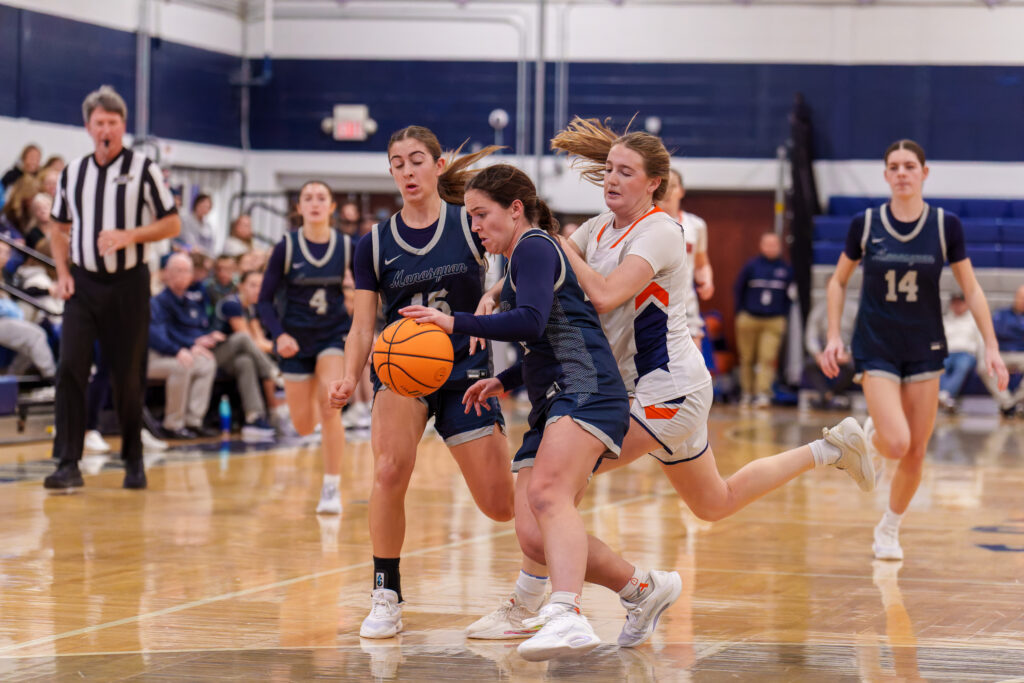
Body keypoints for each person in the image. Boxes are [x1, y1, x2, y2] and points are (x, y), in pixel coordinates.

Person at [469, 117, 872, 645]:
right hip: (640, 393)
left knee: (551, 488)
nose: (612, 179)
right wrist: (498, 291)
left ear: (653, 183)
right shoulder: (596, 229)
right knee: (714, 502)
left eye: (626, 171)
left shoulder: (661, 231)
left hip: (666, 391)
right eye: (609, 170)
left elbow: (604, 294)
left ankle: (562, 600)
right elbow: (545, 270)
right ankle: (830, 449)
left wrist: (564, 251)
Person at [402, 163, 679, 661]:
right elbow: (548, 334)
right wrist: (504, 380)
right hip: (554, 395)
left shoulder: (534, 245)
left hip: (586, 388)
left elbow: (530, 322)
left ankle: (566, 612)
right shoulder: (519, 258)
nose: (475, 226)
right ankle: (642, 588)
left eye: (482, 214)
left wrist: (452, 322)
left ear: (515, 209)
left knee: (549, 495)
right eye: (470, 217)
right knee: (533, 534)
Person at [327, 126, 517, 640]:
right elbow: (362, 326)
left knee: (500, 506)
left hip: (465, 371)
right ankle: (385, 593)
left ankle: (549, 543)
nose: (407, 171)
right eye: (397, 163)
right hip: (401, 373)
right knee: (389, 470)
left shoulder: (470, 222)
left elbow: (527, 261)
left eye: (416, 160)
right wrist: (348, 377)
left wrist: (494, 293)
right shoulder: (373, 243)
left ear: (438, 166)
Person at [820, 139, 1008, 561]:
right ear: (885, 174)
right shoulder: (866, 223)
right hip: (877, 343)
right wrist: (833, 336)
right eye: (894, 166)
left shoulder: (944, 225)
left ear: (924, 173)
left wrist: (992, 346)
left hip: (925, 343)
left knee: (916, 450)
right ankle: (874, 438)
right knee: (898, 443)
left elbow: (972, 289)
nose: (902, 173)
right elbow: (837, 281)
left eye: (909, 166)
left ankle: (889, 527)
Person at [43, 85, 180, 491]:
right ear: (88, 127)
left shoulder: (143, 168)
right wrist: (62, 273)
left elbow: (171, 223)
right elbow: (57, 228)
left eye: (114, 122)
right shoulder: (73, 172)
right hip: (83, 284)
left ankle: (133, 459)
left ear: (123, 126)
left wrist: (130, 235)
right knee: (70, 367)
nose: (107, 129)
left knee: (127, 375)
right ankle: (67, 462)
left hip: (128, 284)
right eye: (100, 122)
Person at [258, 181, 352, 513]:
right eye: (308, 198)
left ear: (331, 207)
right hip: (295, 342)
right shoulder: (285, 247)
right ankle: (310, 398)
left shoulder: (347, 246)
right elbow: (264, 301)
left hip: (332, 336)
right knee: (303, 425)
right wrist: (279, 335)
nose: (314, 203)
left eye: (321, 198)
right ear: (299, 207)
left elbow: (368, 291)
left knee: (330, 407)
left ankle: (331, 487)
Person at [734, 232, 793, 407]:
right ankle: (747, 393)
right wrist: (741, 312)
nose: (771, 248)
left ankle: (762, 393)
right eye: (768, 244)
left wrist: (782, 314)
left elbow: (790, 296)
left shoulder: (786, 269)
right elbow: (738, 289)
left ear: (779, 247)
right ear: (761, 246)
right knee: (747, 358)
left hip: (773, 320)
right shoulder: (751, 266)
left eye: (774, 244)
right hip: (749, 318)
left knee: (767, 358)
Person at [658, 168, 714, 345]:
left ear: (681, 191)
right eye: (663, 185)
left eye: (673, 186)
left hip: (685, 305)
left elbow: (701, 264)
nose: (668, 191)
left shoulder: (696, 225)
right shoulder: (644, 224)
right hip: (651, 305)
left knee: (694, 359)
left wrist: (706, 281)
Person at [977, 285, 1024, 417]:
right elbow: (993, 333)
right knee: (983, 367)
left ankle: (1014, 403)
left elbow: (1005, 332)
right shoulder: (1001, 314)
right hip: (1001, 353)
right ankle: (1008, 403)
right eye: (1020, 298)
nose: (1022, 301)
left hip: (1022, 354)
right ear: (1015, 297)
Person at [804, 296, 858, 410]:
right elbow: (811, 336)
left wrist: (849, 354)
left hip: (846, 351)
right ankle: (828, 396)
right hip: (825, 351)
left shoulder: (853, 309)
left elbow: (859, 335)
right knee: (809, 365)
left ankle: (833, 395)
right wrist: (818, 354)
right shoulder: (819, 309)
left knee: (855, 366)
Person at [939, 292, 981, 413]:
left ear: (966, 304)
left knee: (961, 366)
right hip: (947, 353)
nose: (957, 306)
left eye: (960, 303)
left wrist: (982, 359)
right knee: (938, 367)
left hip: (966, 354)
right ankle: (944, 397)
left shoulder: (974, 320)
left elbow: (981, 341)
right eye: (955, 303)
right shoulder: (944, 320)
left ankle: (944, 395)